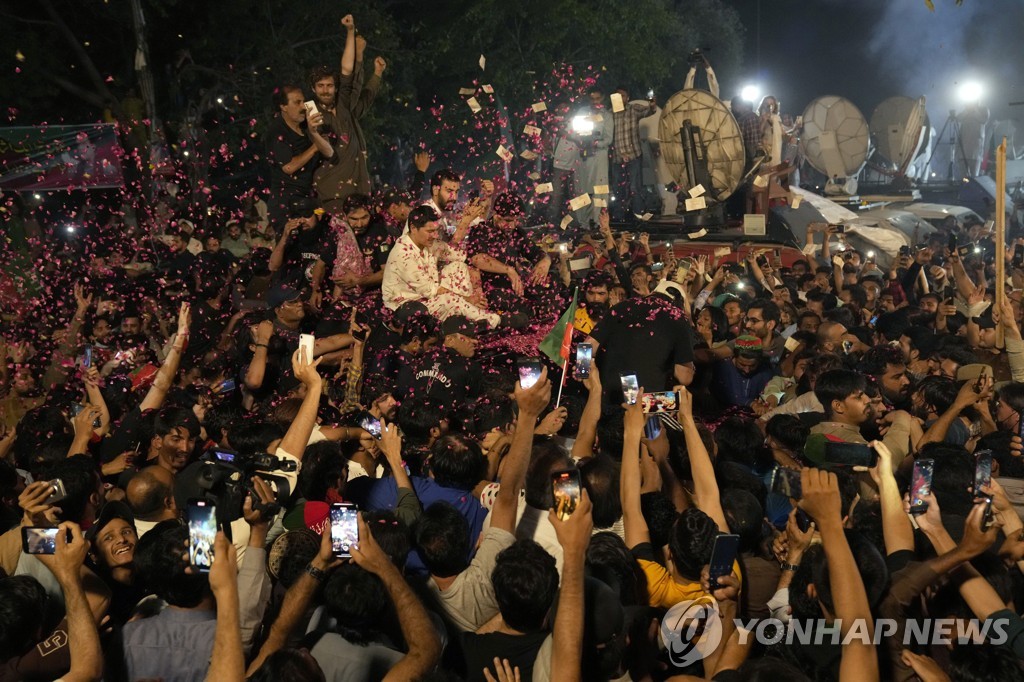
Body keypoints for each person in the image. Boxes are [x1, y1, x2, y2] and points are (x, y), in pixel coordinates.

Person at [310, 14, 385, 212]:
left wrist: (350, 31)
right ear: (313, 89)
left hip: (359, 190)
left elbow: (348, 71)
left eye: (329, 86)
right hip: (332, 194)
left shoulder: (344, 107)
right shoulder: (311, 112)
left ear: (335, 88)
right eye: (320, 86)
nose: (325, 90)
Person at [382, 205, 502, 327]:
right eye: (430, 231)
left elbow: (461, 256)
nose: (435, 235)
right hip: (407, 308)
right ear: (413, 228)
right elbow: (433, 292)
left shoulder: (428, 243)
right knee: (449, 300)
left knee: (458, 267)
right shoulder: (403, 255)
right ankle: (489, 321)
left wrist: (477, 289)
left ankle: (467, 316)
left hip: (429, 296)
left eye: (436, 230)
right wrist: (468, 299)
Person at [264, 84, 334, 223]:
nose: (303, 107)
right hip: (286, 203)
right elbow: (288, 167)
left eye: (304, 101)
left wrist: (316, 133)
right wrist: (314, 147)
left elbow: (330, 153)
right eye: (297, 102)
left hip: (308, 198)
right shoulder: (277, 132)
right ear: (283, 106)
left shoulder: (307, 128)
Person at [610, 88, 656, 221]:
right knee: (618, 189)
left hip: (633, 155)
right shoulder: (610, 113)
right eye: (616, 95)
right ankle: (619, 219)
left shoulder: (633, 109)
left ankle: (638, 217)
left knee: (635, 187)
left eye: (622, 95)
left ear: (627, 98)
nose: (619, 98)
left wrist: (652, 104)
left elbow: (649, 111)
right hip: (617, 158)